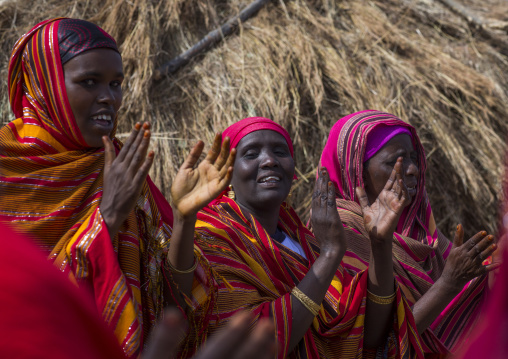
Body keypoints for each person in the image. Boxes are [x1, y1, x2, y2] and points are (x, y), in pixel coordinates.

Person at [0, 18, 234, 358]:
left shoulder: (121, 165)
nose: (109, 98)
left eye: (116, 83)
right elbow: (22, 305)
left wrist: (183, 218)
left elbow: (173, 304)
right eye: (90, 82)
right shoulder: (7, 169)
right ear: (44, 85)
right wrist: (106, 218)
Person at [165, 117, 424, 358]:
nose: (269, 161)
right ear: (227, 173)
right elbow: (253, 344)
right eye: (251, 154)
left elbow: (369, 337)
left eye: (280, 152)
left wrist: (380, 244)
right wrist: (331, 255)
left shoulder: (302, 240)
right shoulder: (212, 237)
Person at [316, 109, 499, 356]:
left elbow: (471, 293)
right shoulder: (338, 234)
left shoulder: (420, 227)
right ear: (358, 171)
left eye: (414, 157)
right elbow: (371, 347)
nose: (414, 169)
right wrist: (448, 284)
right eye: (396, 160)